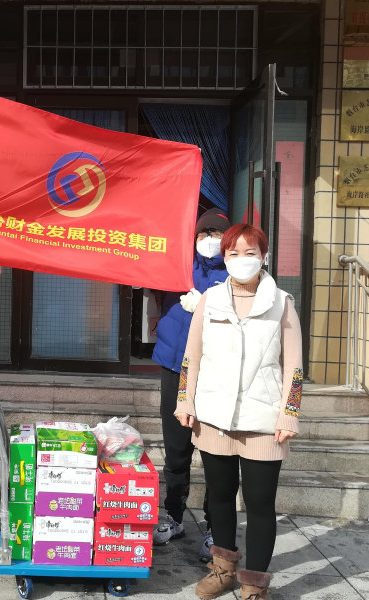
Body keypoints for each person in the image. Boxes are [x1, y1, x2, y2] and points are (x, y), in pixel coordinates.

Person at [174, 223, 302, 600]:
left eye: (250, 252)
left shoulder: (282, 302)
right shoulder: (210, 300)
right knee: (219, 496)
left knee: (260, 503)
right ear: (224, 258)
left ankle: (255, 584)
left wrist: (289, 413)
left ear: (264, 256)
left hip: (264, 420)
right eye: (233, 253)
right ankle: (223, 570)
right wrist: (185, 400)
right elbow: (191, 357)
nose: (241, 259)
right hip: (214, 416)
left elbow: (294, 366)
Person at [152, 208, 231, 559]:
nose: (209, 240)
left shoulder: (238, 273)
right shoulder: (178, 264)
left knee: (216, 453)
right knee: (176, 450)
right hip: (175, 368)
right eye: (204, 233)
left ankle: (215, 527)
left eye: (217, 234)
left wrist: (209, 306)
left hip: (216, 372)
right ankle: (173, 516)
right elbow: (146, 271)